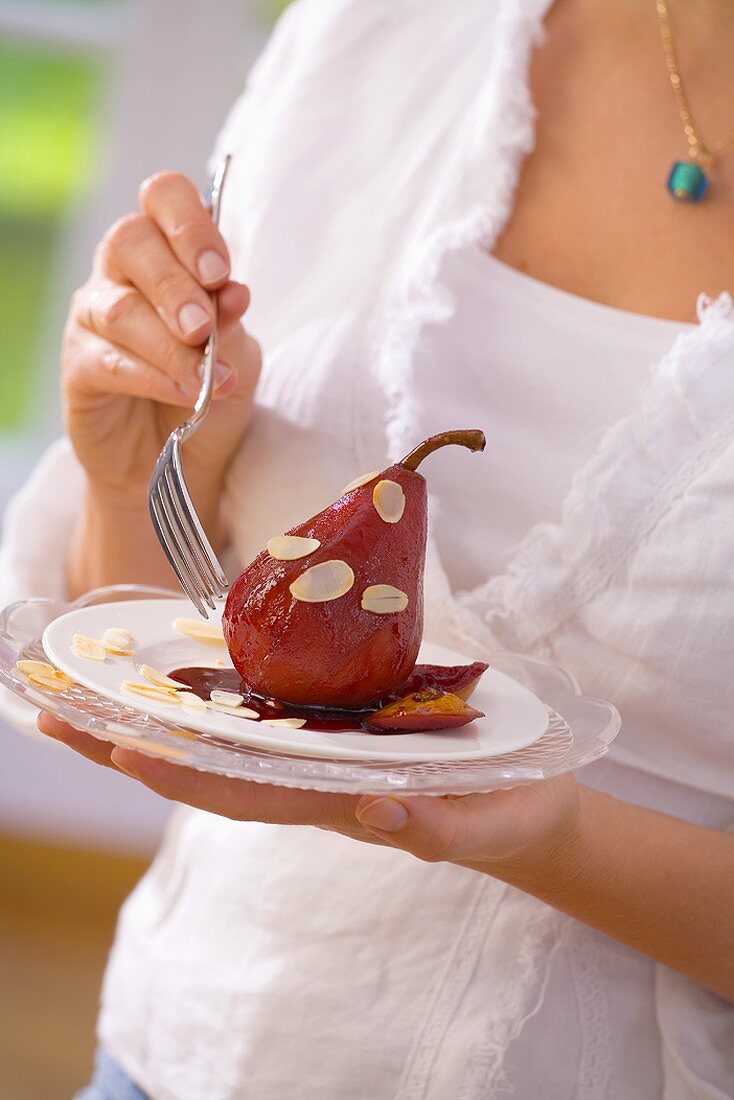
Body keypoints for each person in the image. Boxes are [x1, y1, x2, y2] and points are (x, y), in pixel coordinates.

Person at [2, 0, 733, 1096]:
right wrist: (142, 471)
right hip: (168, 1053)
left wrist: (556, 839)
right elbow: (157, 629)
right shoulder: (390, 26)